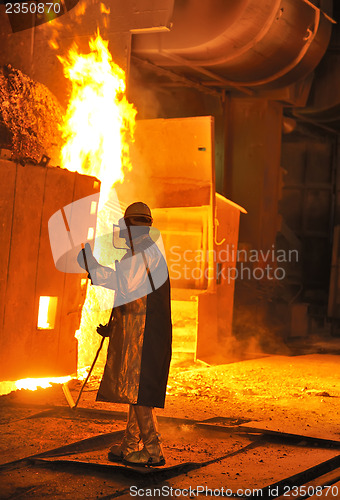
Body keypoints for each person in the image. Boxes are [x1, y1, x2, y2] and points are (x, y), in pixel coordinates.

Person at [77, 202, 172, 467]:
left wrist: (92, 266)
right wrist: (115, 327)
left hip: (145, 335)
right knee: (135, 391)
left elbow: (121, 283)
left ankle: (153, 451)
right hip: (140, 333)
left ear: (131, 228)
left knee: (140, 392)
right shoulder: (146, 253)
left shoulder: (144, 254)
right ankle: (130, 444)